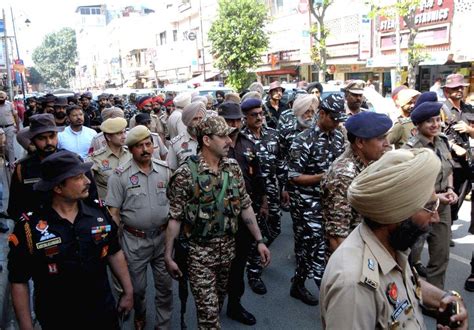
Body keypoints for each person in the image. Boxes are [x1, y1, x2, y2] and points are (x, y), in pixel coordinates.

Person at [320, 148, 469, 329]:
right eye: (430, 206)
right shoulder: (353, 285)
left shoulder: (391, 244)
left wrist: (446, 298)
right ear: (396, 215)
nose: (436, 217)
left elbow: (402, 283)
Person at [164, 116, 271, 329]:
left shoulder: (232, 168)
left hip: (228, 252)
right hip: (199, 255)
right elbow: (175, 218)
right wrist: (168, 256)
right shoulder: (186, 174)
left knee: (218, 302)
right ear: (206, 140)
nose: (229, 141)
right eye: (222, 136)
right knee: (209, 317)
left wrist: (259, 240)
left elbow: (245, 205)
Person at [8, 150, 134, 330]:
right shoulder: (30, 227)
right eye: (78, 177)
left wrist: (128, 291)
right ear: (58, 187)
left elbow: (114, 251)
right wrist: (26, 326)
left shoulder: (98, 213)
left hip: (102, 313)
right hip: (58, 318)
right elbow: (19, 280)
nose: (87, 181)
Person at [106, 125, 173, 330]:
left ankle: (163, 325)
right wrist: (113, 246)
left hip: (163, 240)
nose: (145, 149)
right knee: (137, 289)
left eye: (148, 144)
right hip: (134, 242)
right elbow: (114, 213)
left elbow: (176, 204)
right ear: (131, 149)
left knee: (165, 287)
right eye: (139, 146)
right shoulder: (120, 176)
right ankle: (140, 313)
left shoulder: (165, 170)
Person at [287, 94, 347, 305]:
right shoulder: (303, 140)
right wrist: (324, 176)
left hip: (331, 201)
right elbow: (294, 177)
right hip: (306, 201)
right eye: (334, 119)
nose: (337, 123)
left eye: (340, 120)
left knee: (308, 248)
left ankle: (298, 283)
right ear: (322, 114)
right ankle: (330, 295)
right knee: (318, 246)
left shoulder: (339, 136)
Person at [217, 102, 267, 325]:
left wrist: (263, 201)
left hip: (244, 213)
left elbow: (257, 177)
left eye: (237, 120)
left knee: (238, 265)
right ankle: (213, 305)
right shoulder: (213, 146)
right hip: (219, 218)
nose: (234, 125)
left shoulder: (248, 145)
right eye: (229, 121)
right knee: (218, 266)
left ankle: (234, 305)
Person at [322, 111, 392, 257]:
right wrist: (358, 271)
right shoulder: (344, 175)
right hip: (351, 258)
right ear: (360, 143)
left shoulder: (370, 162)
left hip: (366, 247)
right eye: (381, 138)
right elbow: (336, 237)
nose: (387, 143)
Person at [403, 102, 457, 288]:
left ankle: (434, 297)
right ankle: (408, 293)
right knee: (409, 254)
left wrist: (450, 189)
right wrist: (434, 196)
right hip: (421, 206)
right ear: (417, 125)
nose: (435, 124)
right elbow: (410, 181)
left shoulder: (442, 140)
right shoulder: (411, 148)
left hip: (442, 206)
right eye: (429, 121)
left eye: (437, 120)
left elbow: (448, 169)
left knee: (441, 254)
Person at [8, 114, 99, 221]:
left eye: (52, 136)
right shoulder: (23, 168)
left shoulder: (75, 160)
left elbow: (91, 197)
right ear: (33, 140)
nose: (49, 142)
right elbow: (15, 207)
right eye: (42, 138)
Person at [241, 97, 285, 296]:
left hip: (273, 192)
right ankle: (254, 271)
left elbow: (281, 163)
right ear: (245, 117)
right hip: (252, 197)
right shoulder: (240, 139)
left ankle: (257, 255)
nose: (259, 117)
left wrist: (285, 188)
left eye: (261, 113)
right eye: (254, 115)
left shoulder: (273, 135)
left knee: (274, 229)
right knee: (254, 235)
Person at [442, 74, 473, 225]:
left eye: (461, 87)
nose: (460, 90)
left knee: (462, 194)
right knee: (448, 194)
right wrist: (453, 146)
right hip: (449, 160)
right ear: (447, 91)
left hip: (466, 160)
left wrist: (469, 129)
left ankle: (450, 223)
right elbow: (435, 134)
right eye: (455, 88)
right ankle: (445, 229)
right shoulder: (442, 109)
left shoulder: (468, 109)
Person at [88, 118, 130, 200]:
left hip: (130, 204)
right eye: (119, 133)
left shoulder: (131, 154)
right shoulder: (96, 158)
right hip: (107, 206)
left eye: (124, 132)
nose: (124, 136)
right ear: (108, 137)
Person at [167, 102, 206, 171]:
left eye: (201, 118)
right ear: (187, 120)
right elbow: (171, 169)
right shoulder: (176, 143)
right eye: (195, 119)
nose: (199, 122)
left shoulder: (211, 139)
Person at [0, 91, 20, 166]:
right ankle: (8, 159)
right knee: (2, 146)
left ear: (5, 98)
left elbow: (16, 116)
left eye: (2, 97)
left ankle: (12, 164)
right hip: (0, 129)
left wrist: (18, 128)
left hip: (9, 127)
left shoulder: (9, 104)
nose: (1, 98)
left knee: (9, 145)